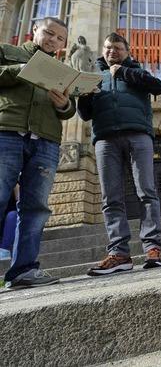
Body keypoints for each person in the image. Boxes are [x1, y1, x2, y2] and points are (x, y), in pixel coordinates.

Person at [78, 32, 161, 275]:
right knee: (111, 198)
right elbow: (84, 115)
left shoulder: (136, 71)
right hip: (104, 139)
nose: (111, 52)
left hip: (138, 135)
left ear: (127, 51)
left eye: (117, 48)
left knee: (146, 191)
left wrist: (125, 72)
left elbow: (157, 87)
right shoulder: (92, 76)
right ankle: (119, 253)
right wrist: (84, 96)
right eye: (107, 48)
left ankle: (152, 248)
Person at [0, 16, 76, 288]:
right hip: (6, 131)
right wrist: (19, 69)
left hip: (46, 140)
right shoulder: (8, 53)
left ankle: (23, 271)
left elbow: (70, 110)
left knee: (36, 208)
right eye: (49, 33)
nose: (53, 40)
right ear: (35, 30)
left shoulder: (62, 70)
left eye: (59, 38)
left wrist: (65, 104)